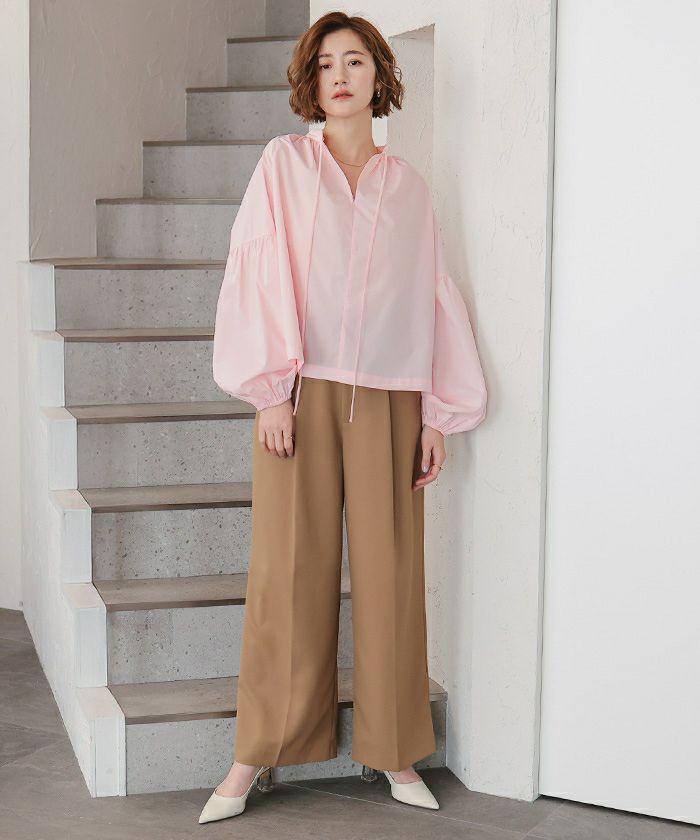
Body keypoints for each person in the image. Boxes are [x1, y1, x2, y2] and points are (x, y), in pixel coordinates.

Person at [199, 11, 487, 824]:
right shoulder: (283, 166)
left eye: (355, 61)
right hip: (302, 391)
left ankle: (393, 749)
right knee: (287, 569)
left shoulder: (410, 189)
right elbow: (256, 271)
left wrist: (438, 416)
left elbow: (431, 297)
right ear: (310, 81)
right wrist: (270, 392)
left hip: (393, 398)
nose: (339, 76)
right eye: (325, 64)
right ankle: (257, 750)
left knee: (393, 574)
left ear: (379, 76)